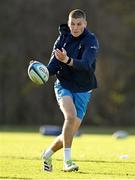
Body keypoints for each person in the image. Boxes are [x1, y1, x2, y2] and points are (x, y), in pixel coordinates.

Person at [42, 9, 99, 172]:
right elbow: (53, 66)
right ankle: (67, 162)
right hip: (64, 84)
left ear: (85, 24)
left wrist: (66, 60)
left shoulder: (91, 40)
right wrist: (43, 72)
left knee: (69, 133)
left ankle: (46, 154)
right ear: (68, 23)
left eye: (79, 24)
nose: (75, 28)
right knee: (70, 116)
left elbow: (86, 64)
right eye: (72, 24)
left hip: (84, 89)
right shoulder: (62, 39)